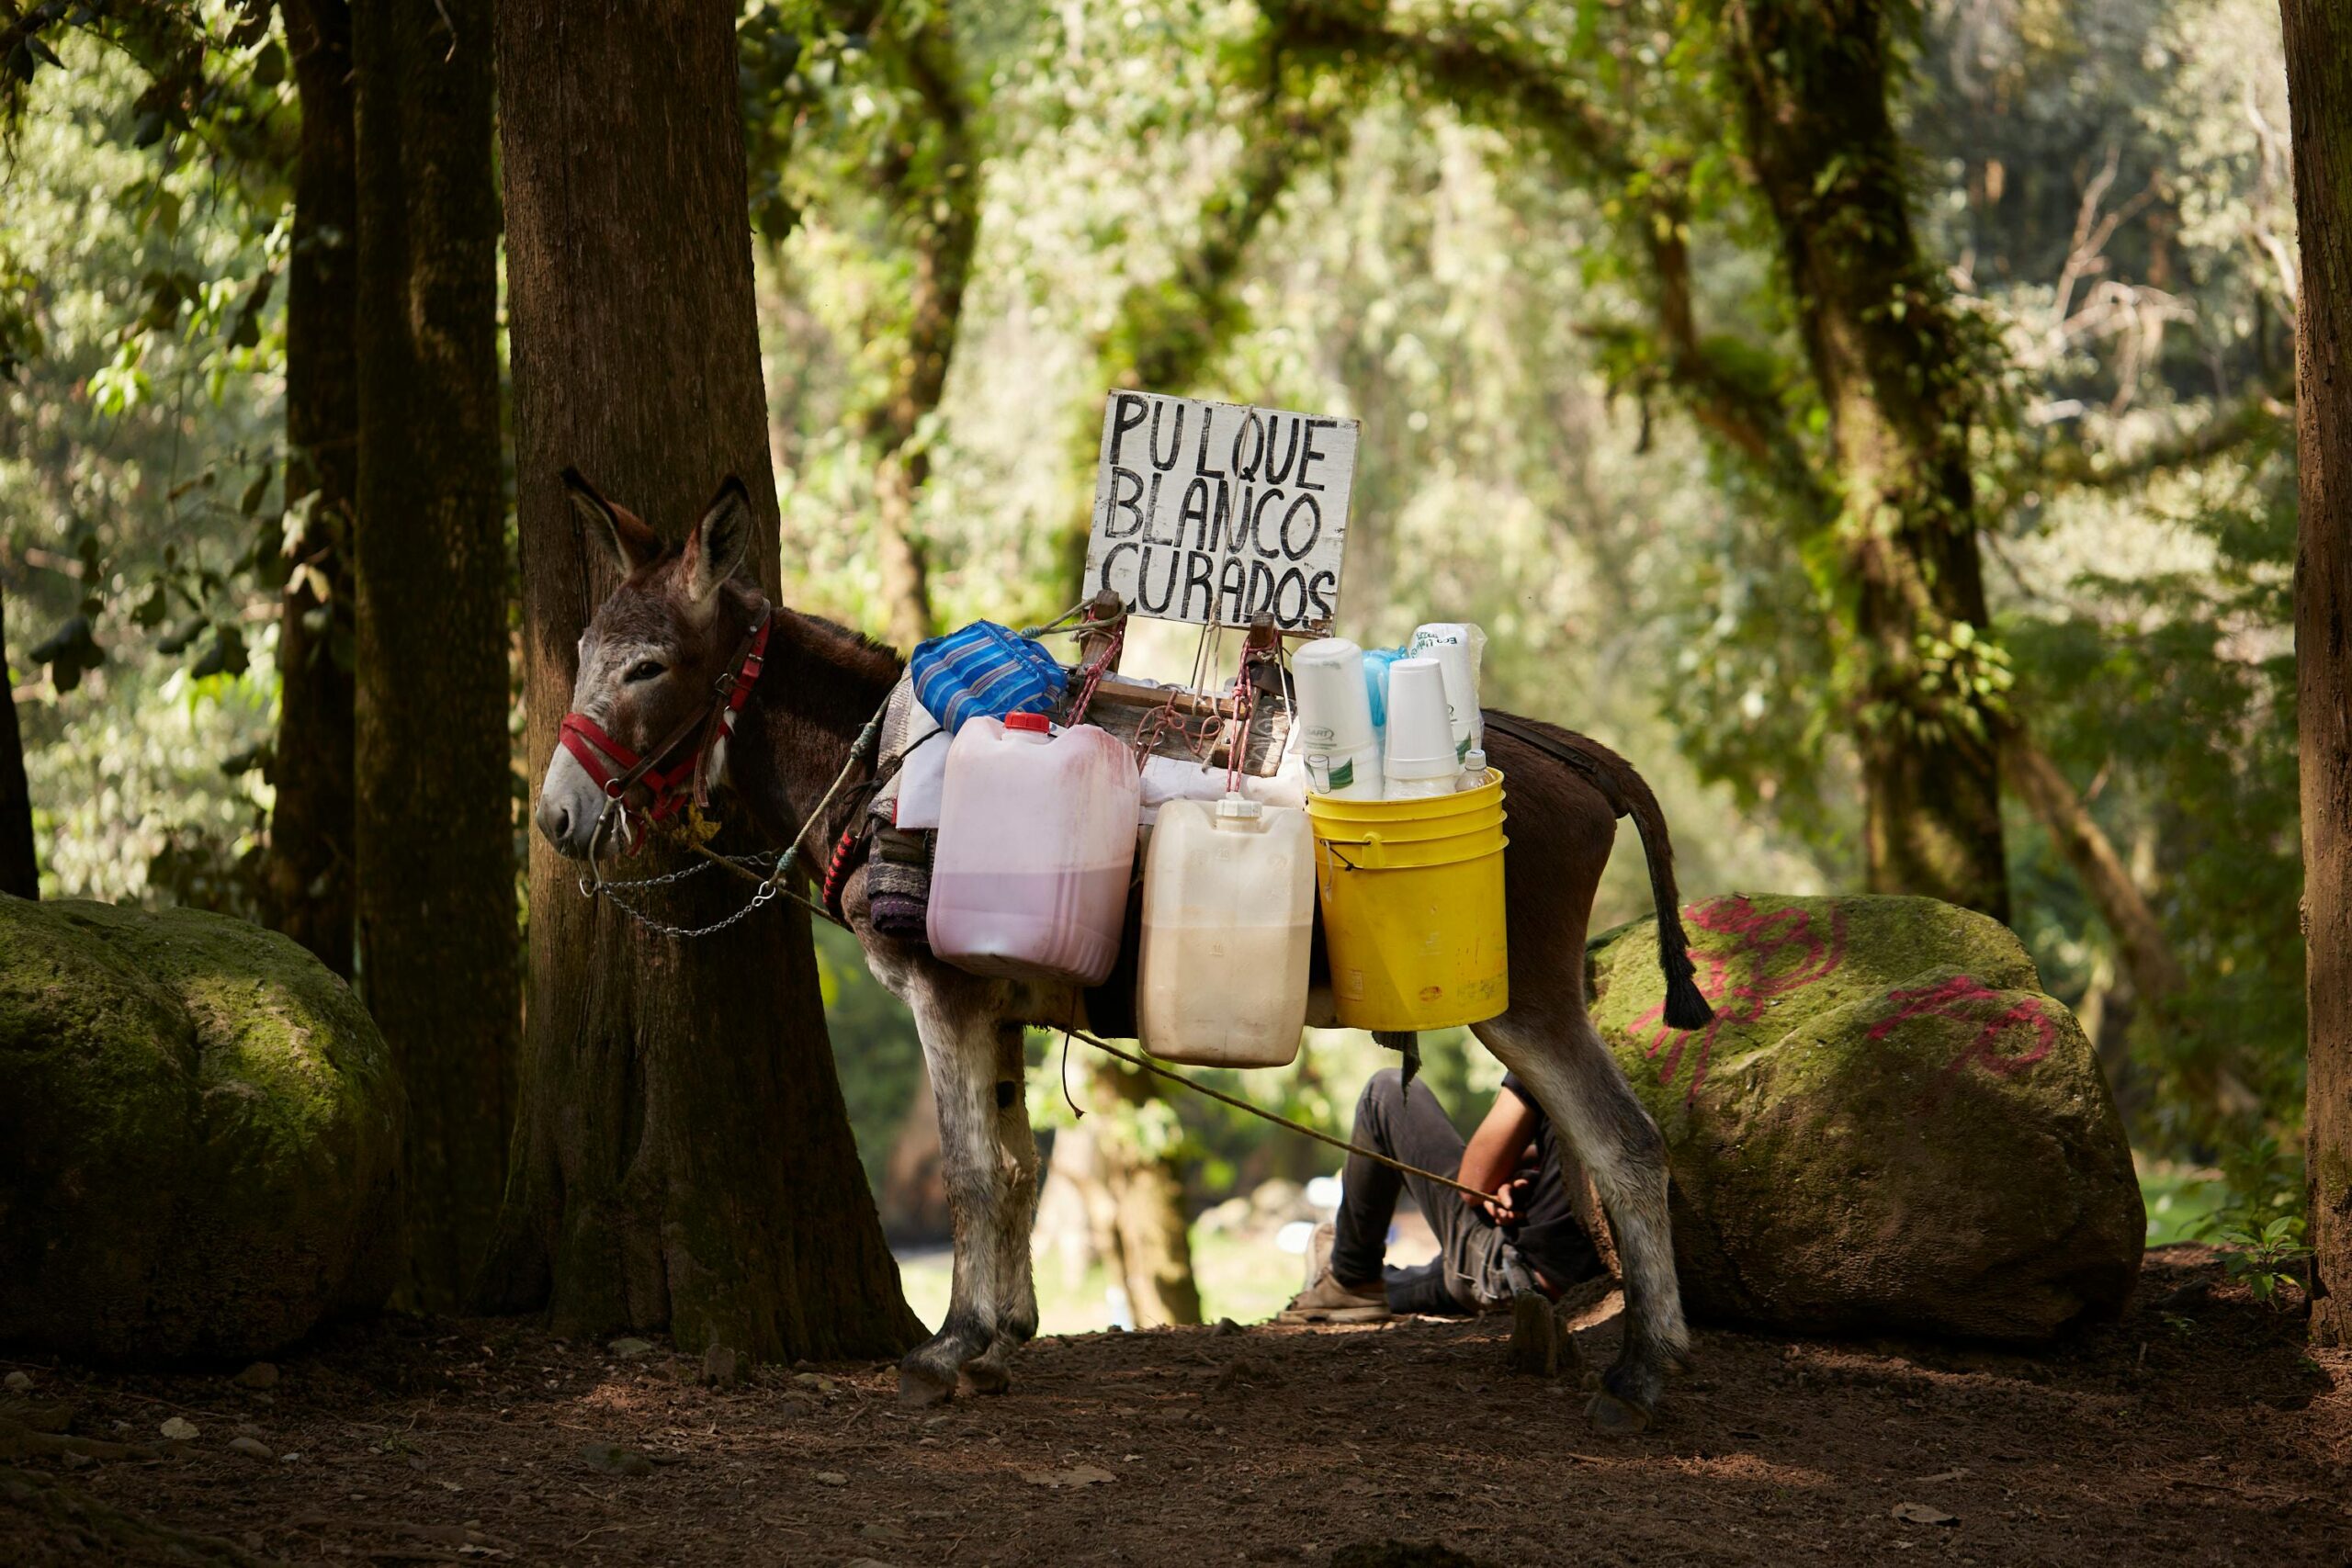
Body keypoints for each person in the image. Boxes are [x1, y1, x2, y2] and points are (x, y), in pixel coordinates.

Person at [1279, 1067, 1604, 1323]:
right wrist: (1530, 1172)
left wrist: (1502, 1171)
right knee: (1403, 1285)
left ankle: (1349, 1277)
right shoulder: (1631, 1053)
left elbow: (1474, 1183)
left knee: (1388, 1091)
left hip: (1516, 1273)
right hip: (1569, 1276)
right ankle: (1354, 1286)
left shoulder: (1556, 1044)